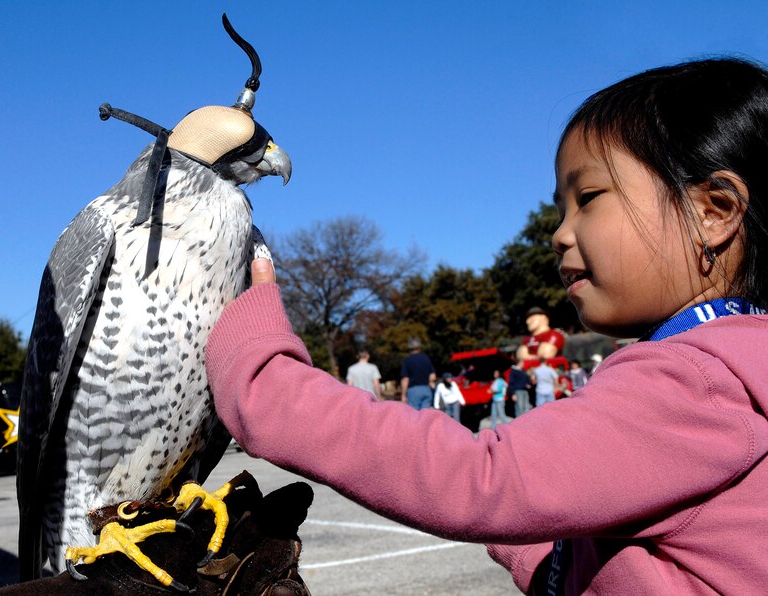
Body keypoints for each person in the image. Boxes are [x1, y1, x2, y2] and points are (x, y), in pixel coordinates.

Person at [205, 58, 768, 593]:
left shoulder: (698, 377)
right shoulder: (739, 364)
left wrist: (267, 384)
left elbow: (481, 477)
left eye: (589, 197)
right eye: (559, 209)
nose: (560, 233)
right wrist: (531, 544)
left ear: (713, 211)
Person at [398, 337, 436, 410]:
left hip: (413, 390)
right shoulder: (426, 358)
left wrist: (403, 395)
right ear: (419, 347)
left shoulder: (407, 361)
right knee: (426, 415)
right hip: (426, 389)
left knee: (414, 416)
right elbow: (433, 376)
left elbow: (405, 379)